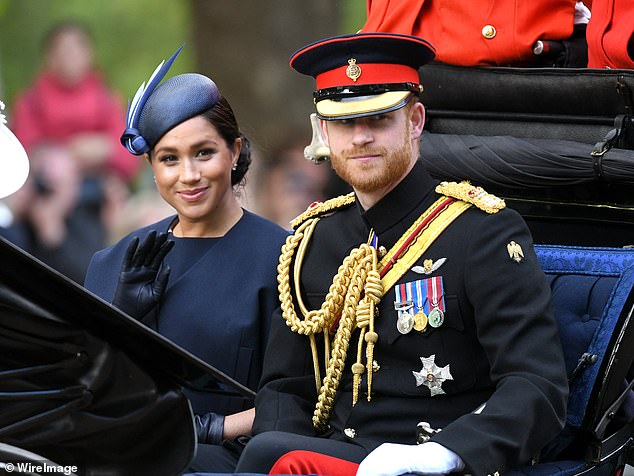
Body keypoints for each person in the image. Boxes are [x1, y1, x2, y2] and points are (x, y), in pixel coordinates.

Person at [233, 32, 569, 476]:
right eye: (345, 123)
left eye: (379, 119)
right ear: (323, 132)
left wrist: (445, 453)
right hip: (326, 457)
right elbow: (285, 389)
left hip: (431, 460)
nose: (361, 138)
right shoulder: (311, 239)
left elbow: (536, 385)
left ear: (415, 121)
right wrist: (282, 452)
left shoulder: (481, 230)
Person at [82, 47, 288, 471]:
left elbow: (300, 401)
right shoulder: (114, 263)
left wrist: (212, 427)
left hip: (230, 459)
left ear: (234, 151)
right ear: (151, 168)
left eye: (204, 153)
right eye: (169, 159)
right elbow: (86, 392)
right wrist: (124, 328)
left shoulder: (284, 258)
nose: (188, 175)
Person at [6, 21, 138, 282]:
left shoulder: (106, 100)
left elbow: (127, 153)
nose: (70, 57)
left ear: (89, 54)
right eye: (62, 51)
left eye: (76, 49)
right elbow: (23, 149)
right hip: (45, 193)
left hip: (94, 198)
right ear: (50, 57)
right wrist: (60, 157)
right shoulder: (32, 101)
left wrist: (103, 149)